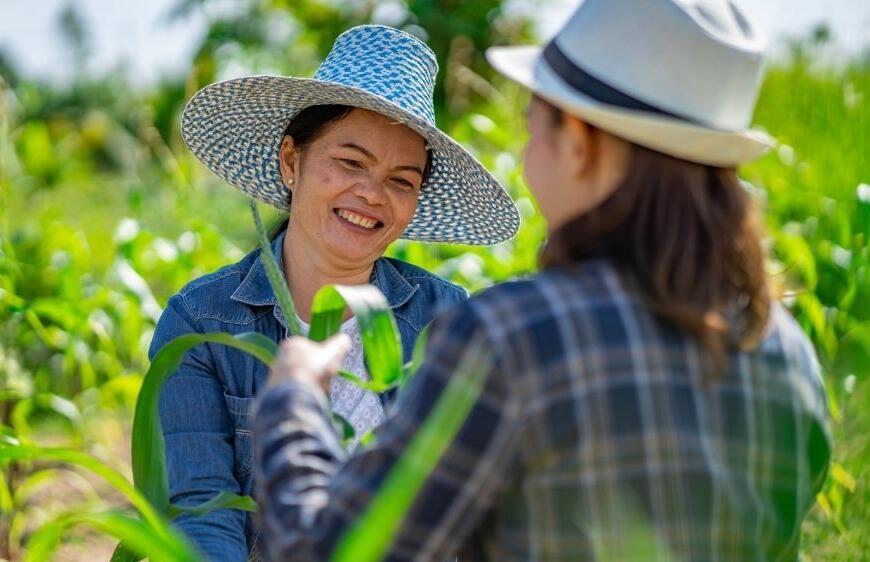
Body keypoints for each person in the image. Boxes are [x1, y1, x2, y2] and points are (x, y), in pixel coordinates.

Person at [253, 1, 831, 561]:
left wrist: (293, 401)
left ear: (578, 142)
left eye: (534, 130)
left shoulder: (510, 337)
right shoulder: (788, 354)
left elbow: (332, 552)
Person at [149, 25, 519, 560]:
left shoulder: (448, 318)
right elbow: (202, 510)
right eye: (350, 163)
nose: (371, 194)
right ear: (291, 162)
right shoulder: (203, 322)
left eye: (401, 180)